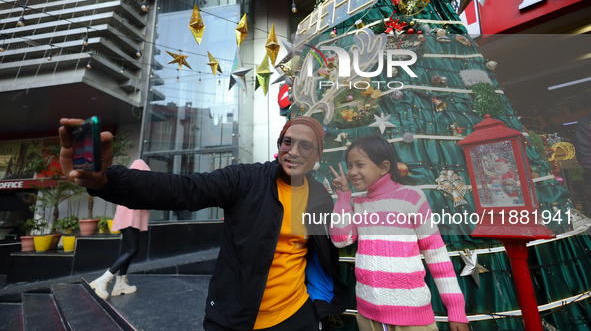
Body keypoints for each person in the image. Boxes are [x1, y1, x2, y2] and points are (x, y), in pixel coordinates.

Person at [58, 117, 348, 331]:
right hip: (234, 318)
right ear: (279, 146)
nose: (294, 151)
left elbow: (330, 246)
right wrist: (108, 180)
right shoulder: (245, 179)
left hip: (296, 318)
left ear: (318, 155)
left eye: (306, 146)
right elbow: (184, 188)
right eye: (288, 142)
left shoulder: (320, 197)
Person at [329, 135, 469, 331]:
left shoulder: (411, 198)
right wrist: (343, 197)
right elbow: (340, 240)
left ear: (384, 167)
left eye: (359, 165)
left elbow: (436, 254)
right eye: (349, 165)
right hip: (368, 316)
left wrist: (456, 311)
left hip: (412, 318)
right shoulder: (358, 203)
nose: (352, 172)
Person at [89, 158, 151, 300]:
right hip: (129, 221)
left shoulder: (130, 185)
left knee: (129, 250)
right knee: (132, 250)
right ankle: (103, 280)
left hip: (128, 221)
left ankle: (120, 283)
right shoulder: (134, 186)